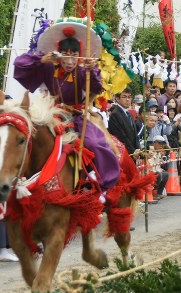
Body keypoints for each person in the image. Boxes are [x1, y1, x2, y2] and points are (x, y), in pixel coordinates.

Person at [13, 20, 120, 191]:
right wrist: (41, 59)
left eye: (74, 54)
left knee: (94, 143)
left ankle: (96, 179)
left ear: (80, 54)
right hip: (49, 114)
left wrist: (92, 69)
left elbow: (97, 87)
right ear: (57, 53)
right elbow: (19, 65)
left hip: (76, 115)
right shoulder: (48, 67)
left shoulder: (84, 70)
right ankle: (17, 177)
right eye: (65, 54)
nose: (69, 60)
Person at [108, 89, 139, 154]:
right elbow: (120, 137)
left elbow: (135, 136)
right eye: (124, 97)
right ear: (117, 98)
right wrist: (133, 151)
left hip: (133, 153)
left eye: (129, 97)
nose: (127, 99)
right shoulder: (115, 114)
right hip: (123, 153)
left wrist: (138, 150)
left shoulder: (129, 113)